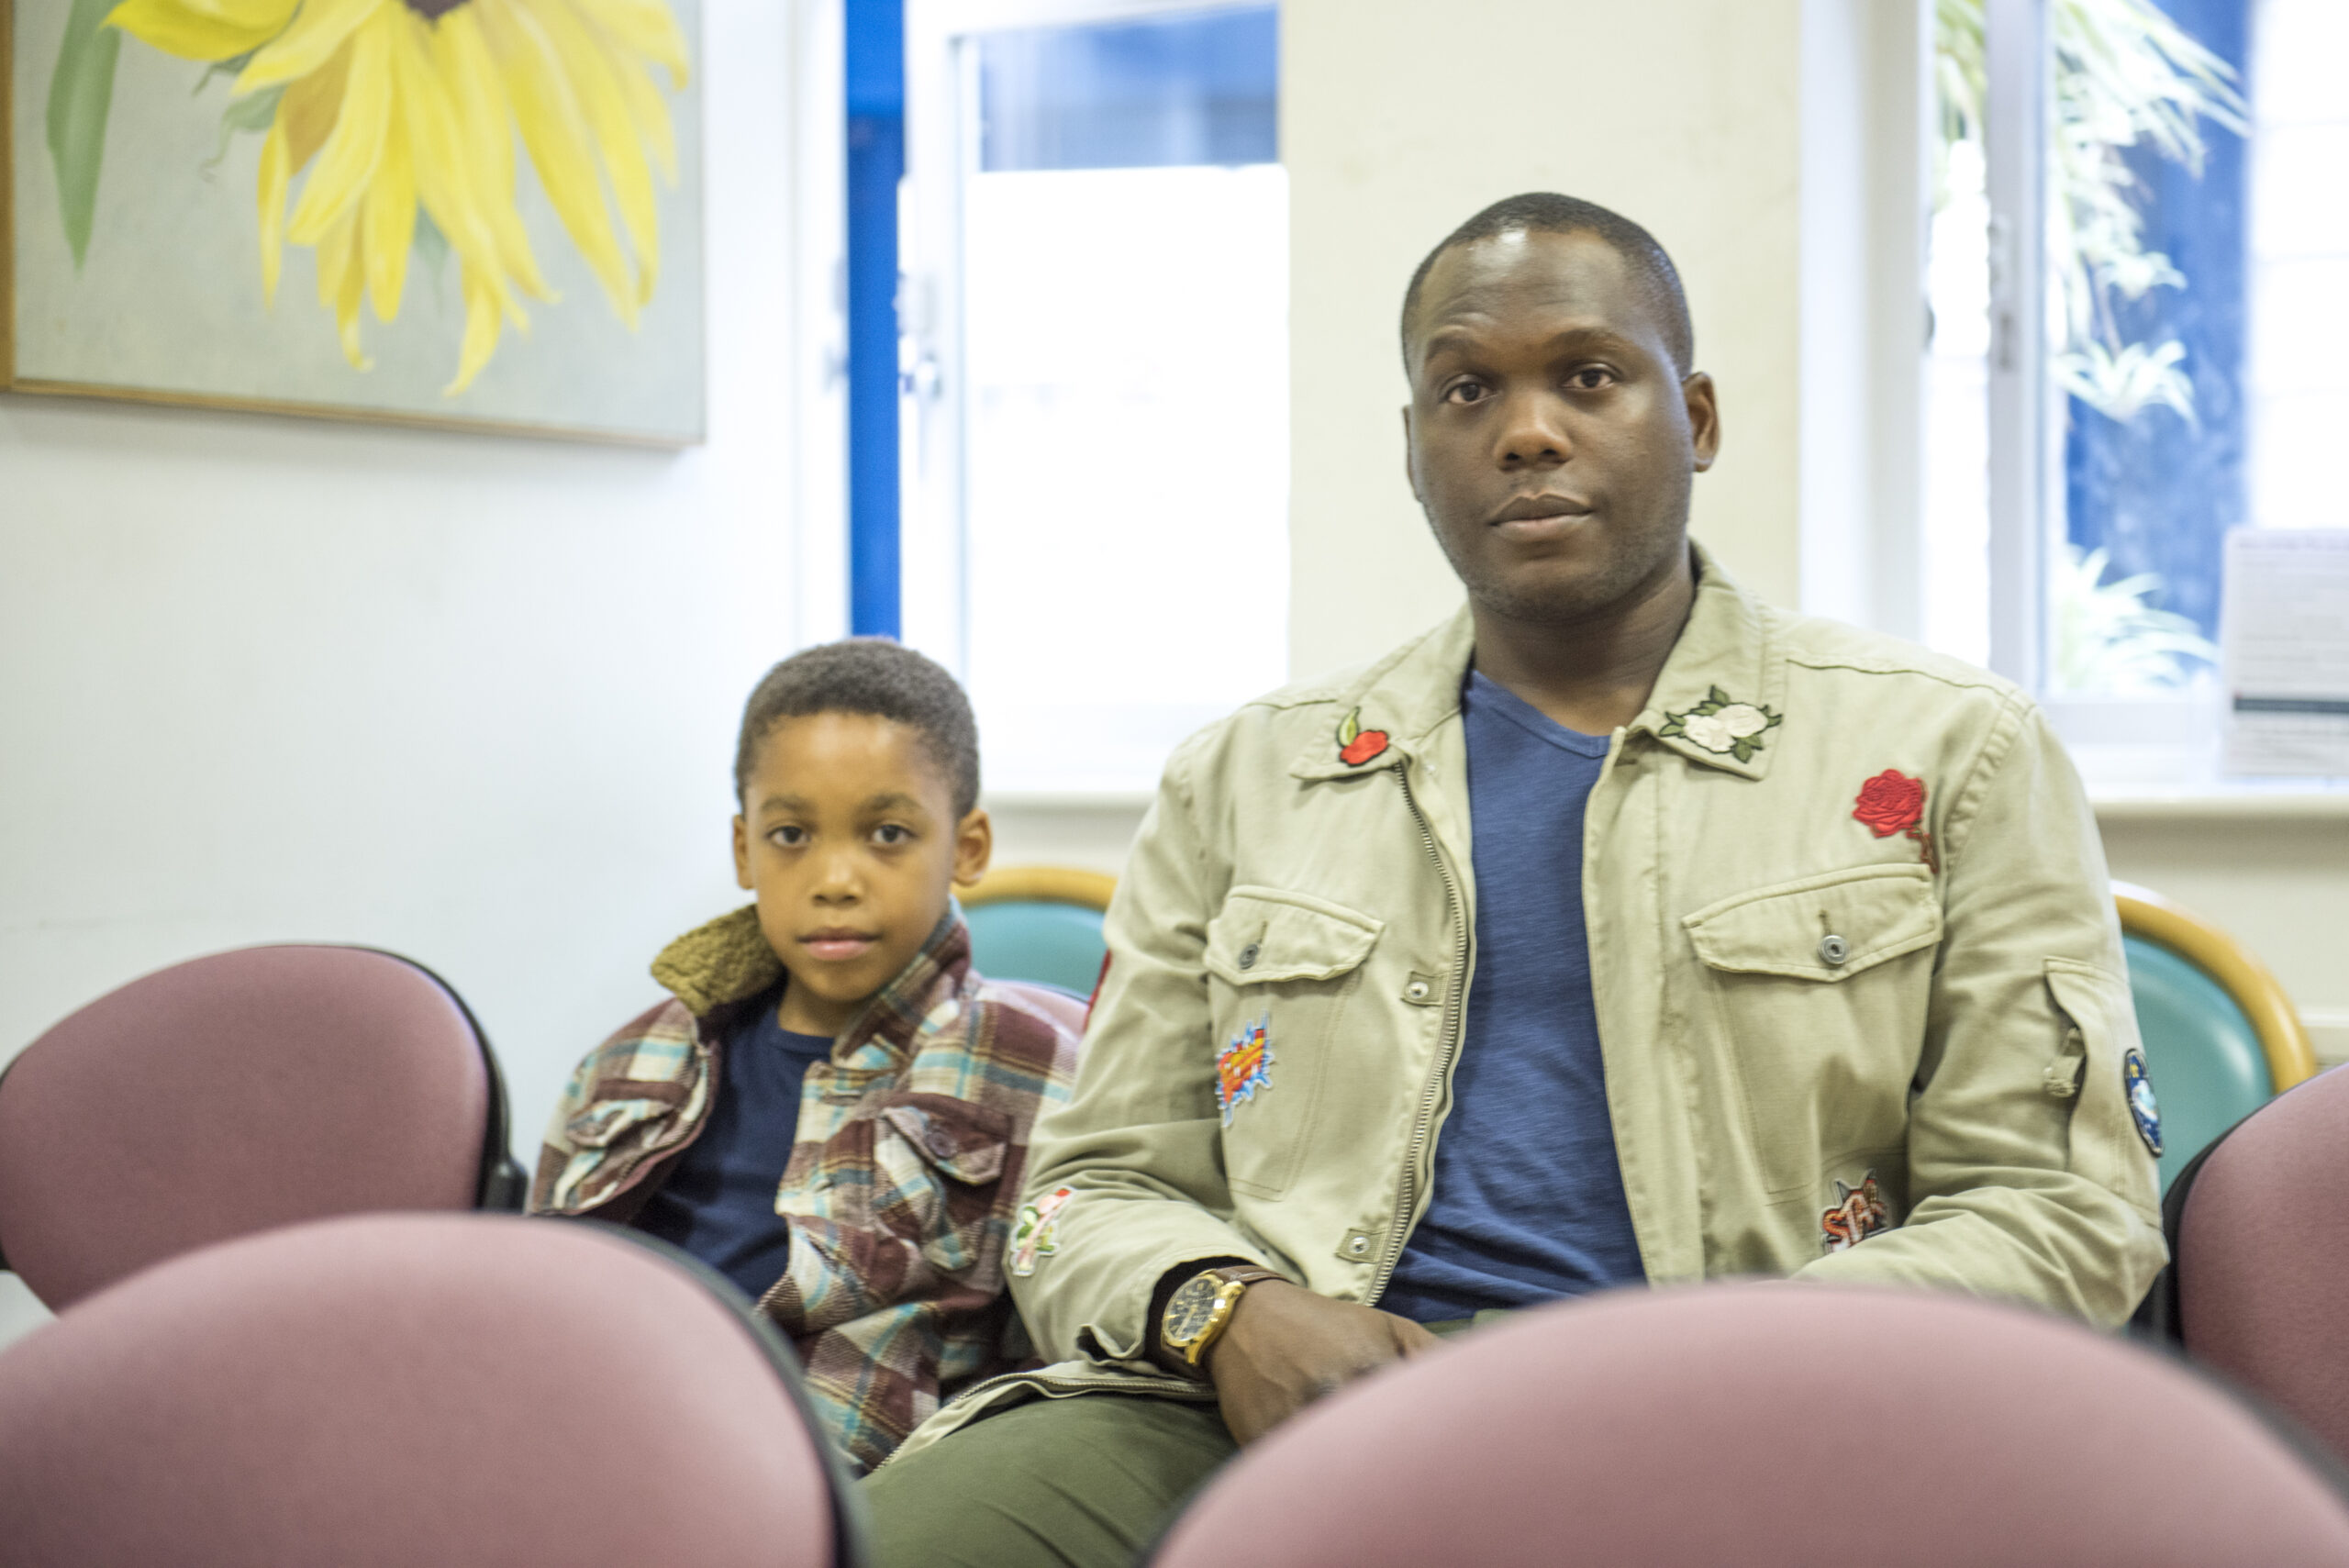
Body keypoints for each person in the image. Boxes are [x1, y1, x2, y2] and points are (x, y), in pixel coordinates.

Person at [858, 193, 2165, 1564]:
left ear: (1698, 418)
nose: (1527, 430)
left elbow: (2063, 1213)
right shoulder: (1246, 778)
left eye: (1589, 376)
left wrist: (1735, 1360)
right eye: (1467, 389)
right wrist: (1224, 1310)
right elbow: (1089, 1192)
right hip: (1290, 1400)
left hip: (1759, 1415)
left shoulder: (1951, 750)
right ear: (1416, 454)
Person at [530, 639, 1084, 1474]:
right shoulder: (629, 1060)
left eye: (887, 833)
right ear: (744, 849)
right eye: (791, 834)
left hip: (848, 1488)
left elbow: (1074, 1355)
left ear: (967, 846)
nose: (834, 878)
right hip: (593, 1447)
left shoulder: (1038, 1061)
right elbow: (529, 1288)